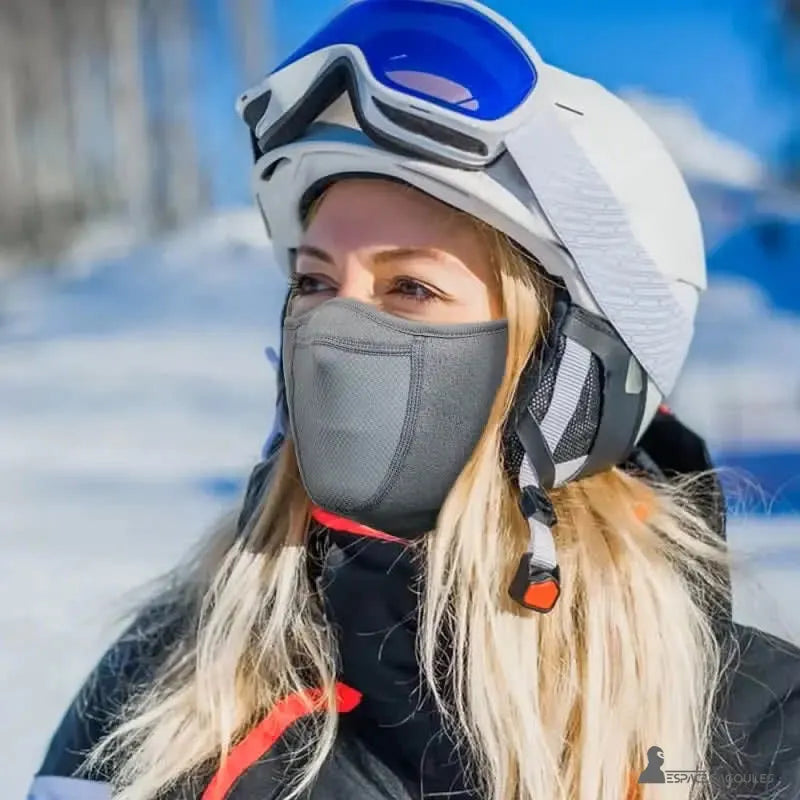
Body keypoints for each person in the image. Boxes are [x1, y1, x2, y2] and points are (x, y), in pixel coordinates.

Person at [28, 2, 800, 799]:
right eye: (314, 283)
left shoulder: (751, 728)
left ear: (568, 372)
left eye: (410, 287)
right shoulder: (172, 686)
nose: (335, 329)